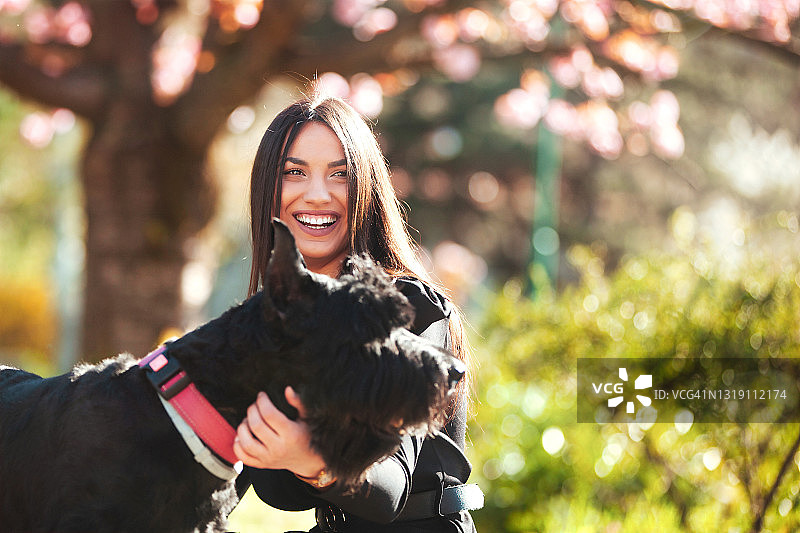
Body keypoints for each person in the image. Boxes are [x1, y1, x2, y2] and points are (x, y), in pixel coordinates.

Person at [232, 94, 479, 532]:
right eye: (294, 173)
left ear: (366, 187)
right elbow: (211, 475)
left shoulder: (405, 310)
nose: (317, 195)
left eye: (340, 176)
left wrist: (308, 459)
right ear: (267, 188)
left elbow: (389, 488)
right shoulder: (277, 324)